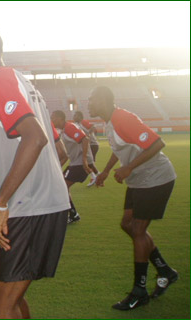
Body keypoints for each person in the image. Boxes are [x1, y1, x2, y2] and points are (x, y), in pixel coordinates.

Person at [0, 28, 70, 319]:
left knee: (1, 306)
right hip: (40, 204)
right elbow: (61, 153)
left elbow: (35, 138)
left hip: (29, 208)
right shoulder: (25, 83)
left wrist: (3, 202)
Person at [90, 86, 178, 310]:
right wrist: (107, 171)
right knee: (127, 224)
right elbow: (118, 148)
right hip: (139, 180)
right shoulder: (110, 121)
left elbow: (158, 143)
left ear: (105, 101)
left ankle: (140, 291)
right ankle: (165, 270)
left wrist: (128, 168)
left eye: (92, 100)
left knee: (138, 229)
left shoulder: (123, 118)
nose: (88, 104)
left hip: (156, 178)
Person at [51, 110, 93, 224]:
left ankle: (72, 214)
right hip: (75, 163)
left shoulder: (69, 128)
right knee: (62, 185)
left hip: (79, 163)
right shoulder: (64, 130)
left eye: (53, 117)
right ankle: (72, 213)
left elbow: (85, 139)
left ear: (60, 119)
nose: (51, 120)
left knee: (63, 186)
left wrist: (84, 160)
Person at [73, 111, 100, 186]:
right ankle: (97, 176)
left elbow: (93, 127)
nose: (74, 117)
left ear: (79, 116)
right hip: (88, 145)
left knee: (86, 163)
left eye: (75, 115)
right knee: (89, 163)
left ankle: (94, 177)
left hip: (92, 145)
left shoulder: (83, 122)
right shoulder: (77, 124)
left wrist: (89, 134)